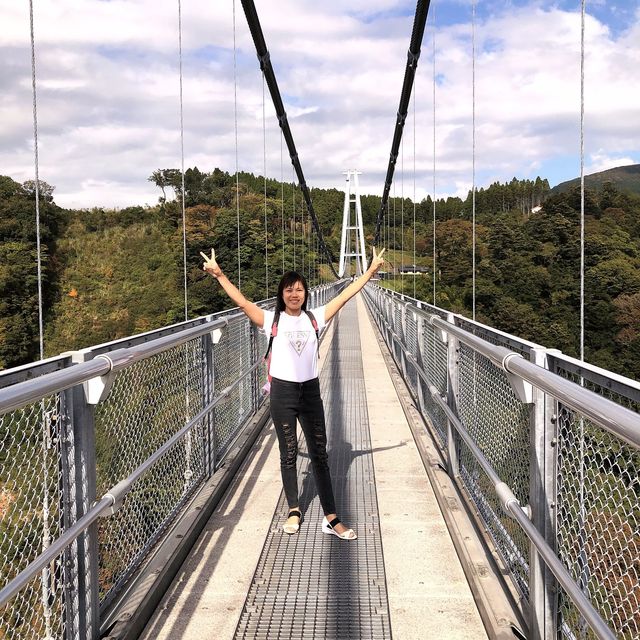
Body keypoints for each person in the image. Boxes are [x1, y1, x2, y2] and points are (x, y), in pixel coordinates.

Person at [201, 247, 386, 540]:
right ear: (281, 294)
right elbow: (242, 302)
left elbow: (347, 294)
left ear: (306, 293)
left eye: (299, 289)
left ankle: (332, 518)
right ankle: (294, 510)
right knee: (288, 454)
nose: (294, 294)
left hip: (310, 393)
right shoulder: (270, 321)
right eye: (289, 290)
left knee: (319, 456)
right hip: (283, 395)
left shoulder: (316, 318)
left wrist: (370, 272)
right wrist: (220, 275)